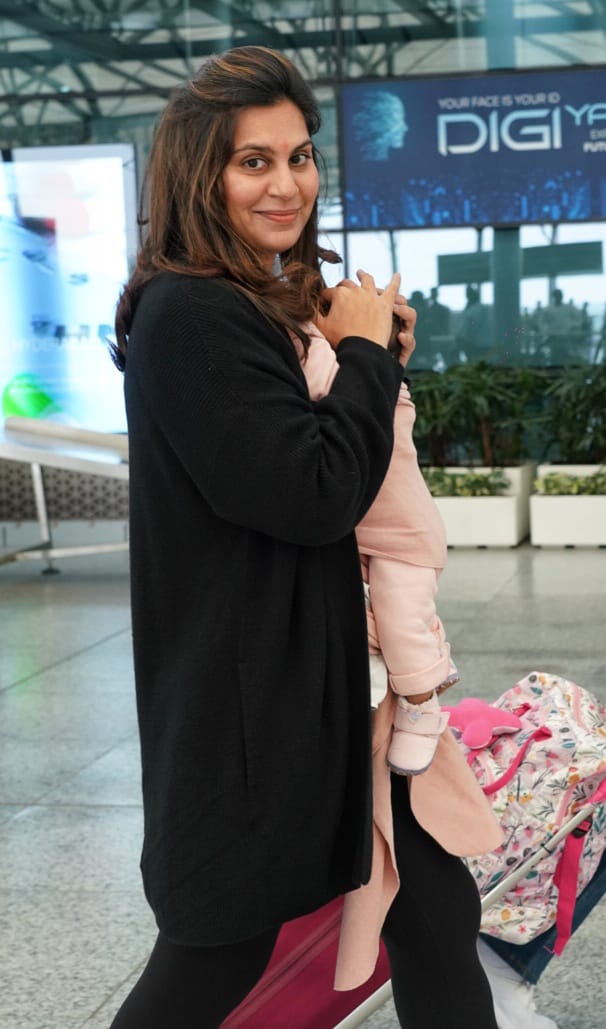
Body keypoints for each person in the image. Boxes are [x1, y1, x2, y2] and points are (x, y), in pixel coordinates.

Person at [108, 45, 502, 1028]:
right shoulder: (189, 313)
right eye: (254, 161)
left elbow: (332, 451)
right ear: (202, 174)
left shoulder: (258, 302)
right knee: (211, 955)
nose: (288, 183)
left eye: (301, 155)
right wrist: (363, 351)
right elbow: (313, 491)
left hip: (323, 690)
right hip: (250, 710)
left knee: (434, 908)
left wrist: (368, 352)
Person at [291, 319, 458, 776]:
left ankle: (423, 707)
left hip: (404, 539)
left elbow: (322, 382)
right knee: (381, 622)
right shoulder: (362, 372)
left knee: (400, 621)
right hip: (365, 531)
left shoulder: (373, 384)